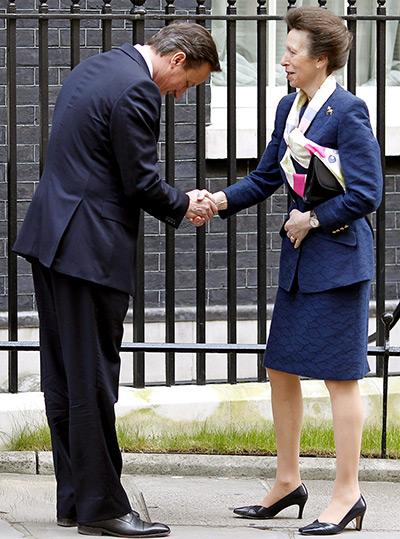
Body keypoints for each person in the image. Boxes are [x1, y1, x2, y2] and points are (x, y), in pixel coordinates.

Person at [13, 22, 220, 538]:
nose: (181, 94)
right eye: (189, 83)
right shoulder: (137, 89)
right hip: (88, 250)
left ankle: (75, 501)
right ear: (176, 60)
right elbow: (140, 180)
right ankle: (103, 506)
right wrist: (186, 203)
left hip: (52, 238)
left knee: (64, 377)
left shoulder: (97, 66)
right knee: (93, 380)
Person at [211, 7, 383, 536]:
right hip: (300, 262)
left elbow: (367, 193)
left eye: (292, 50)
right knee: (281, 368)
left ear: (320, 59)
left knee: (340, 379)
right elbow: (266, 177)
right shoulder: (291, 106)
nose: (283, 59)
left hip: (338, 262)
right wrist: (216, 199)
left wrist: (313, 217)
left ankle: (348, 493)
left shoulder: (348, 112)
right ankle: (288, 481)